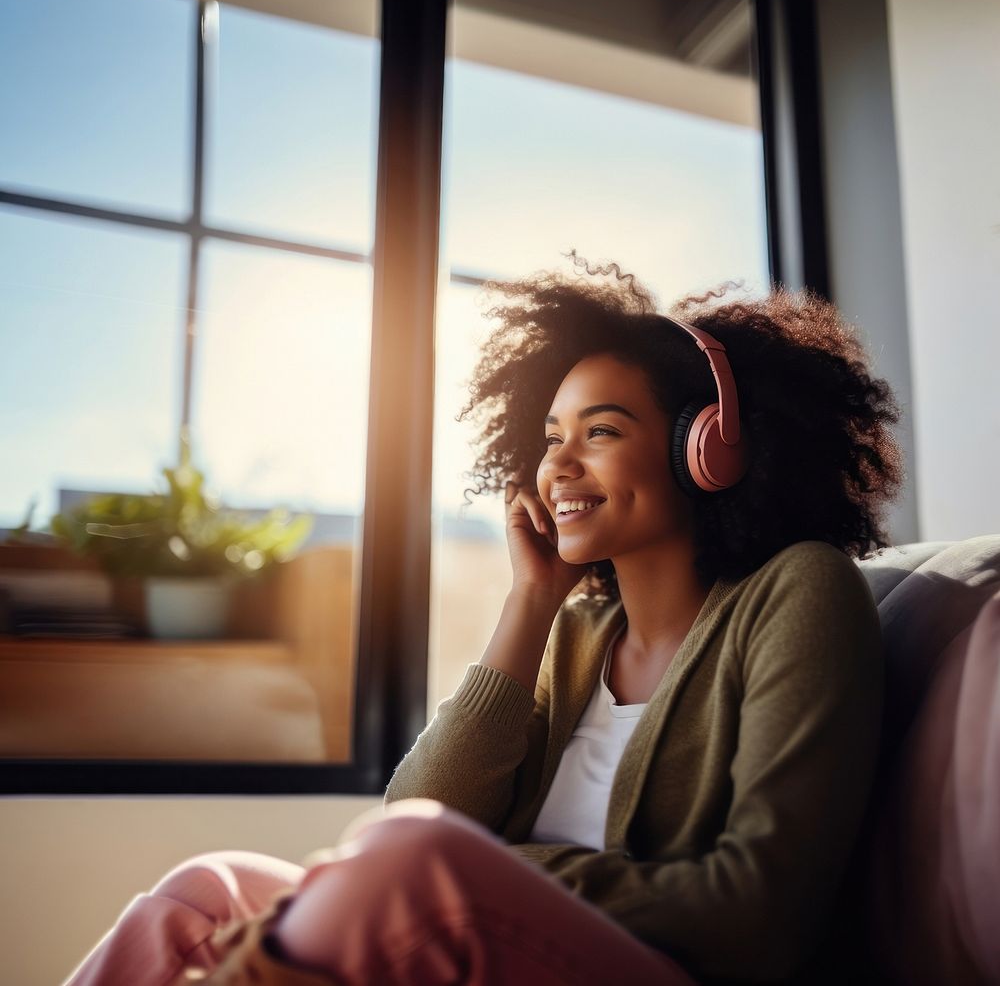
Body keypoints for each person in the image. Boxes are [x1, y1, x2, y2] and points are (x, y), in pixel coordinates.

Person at [64, 256, 903, 986]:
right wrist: (531, 602)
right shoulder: (579, 632)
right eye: (550, 437)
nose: (559, 466)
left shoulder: (800, 591)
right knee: (207, 891)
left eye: (601, 431)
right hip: (499, 949)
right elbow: (417, 813)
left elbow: (760, 916)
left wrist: (502, 874)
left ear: (708, 447)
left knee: (410, 861)